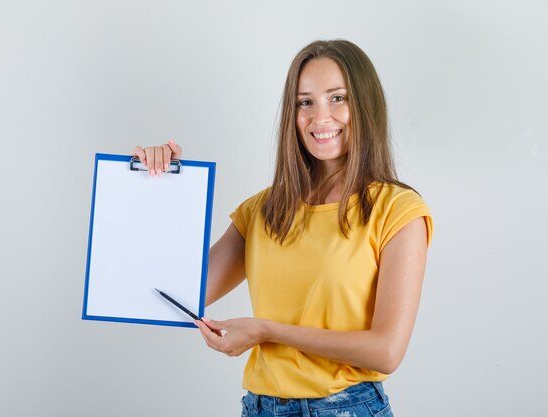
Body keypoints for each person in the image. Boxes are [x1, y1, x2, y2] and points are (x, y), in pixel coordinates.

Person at [132, 39, 432, 417]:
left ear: (365, 105)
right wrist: (157, 187)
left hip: (347, 408)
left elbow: (387, 352)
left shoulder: (398, 211)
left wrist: (268, 331)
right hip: (259, 408)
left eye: (337, 98)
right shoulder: (264, 209)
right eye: (305, 102)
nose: (320, 117)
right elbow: (170, 294)